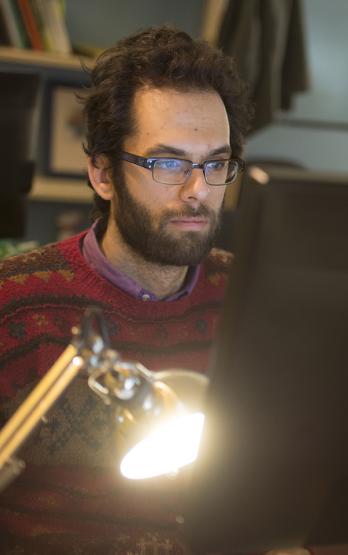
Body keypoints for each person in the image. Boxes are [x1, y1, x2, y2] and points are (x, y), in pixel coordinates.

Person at [0, 25, 251, 553]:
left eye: (216, 163)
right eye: (167, 163)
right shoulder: (13, 306)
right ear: (102, 174)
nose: (198, 190)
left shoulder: (257, 303)